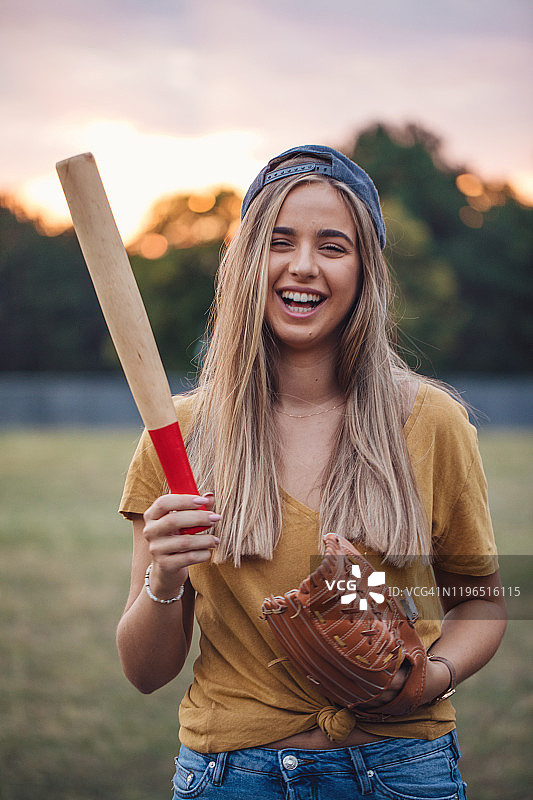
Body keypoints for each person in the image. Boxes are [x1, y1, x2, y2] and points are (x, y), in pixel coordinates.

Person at [117, 145, 507, 800]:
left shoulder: (430, 420)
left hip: (402, 770)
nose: (302, 266)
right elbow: (145, 672)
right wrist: (166, 573)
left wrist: (429, 676)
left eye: (333, 245)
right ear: (246, 263)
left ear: (364, 270)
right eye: (279, 242)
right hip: (229, 777)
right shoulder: (181, 437)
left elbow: (490, 599)